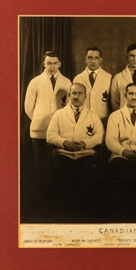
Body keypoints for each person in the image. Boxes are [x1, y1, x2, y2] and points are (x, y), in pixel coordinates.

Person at [46, 83, 105, 219]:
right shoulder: (59, 115)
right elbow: (50, 135)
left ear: (85, 96)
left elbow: (100, 135)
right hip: (64, 154)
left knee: (91, 174)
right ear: (69, 95)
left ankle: (85, 212)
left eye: (79, 93)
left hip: (85, 155)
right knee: (59, 172)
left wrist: (85, 143)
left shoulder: (93, 116)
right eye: (73, 93)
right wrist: (64, 143)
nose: (76, 96)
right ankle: (63, 212)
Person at [24, 50, 71, 170]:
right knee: (40, 166)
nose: (52, 66)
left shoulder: (66, 82)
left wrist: (58, 122)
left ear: (59, 64)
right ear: (43, 64)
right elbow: (28, 107)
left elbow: (69, 105)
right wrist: (39, 119)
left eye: (55, 63)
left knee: (57, 166)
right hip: (40, 130)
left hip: (59, 130)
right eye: (49, 63)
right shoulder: (35, 82)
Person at [73, 46, 112, 127]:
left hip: (103, 121)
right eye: (90, 58)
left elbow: (113, 103)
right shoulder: (78, 78)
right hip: (83, 120)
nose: (93, 61)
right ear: (85, 59)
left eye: (96, 58)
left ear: (101, 60)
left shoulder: (109, 78)